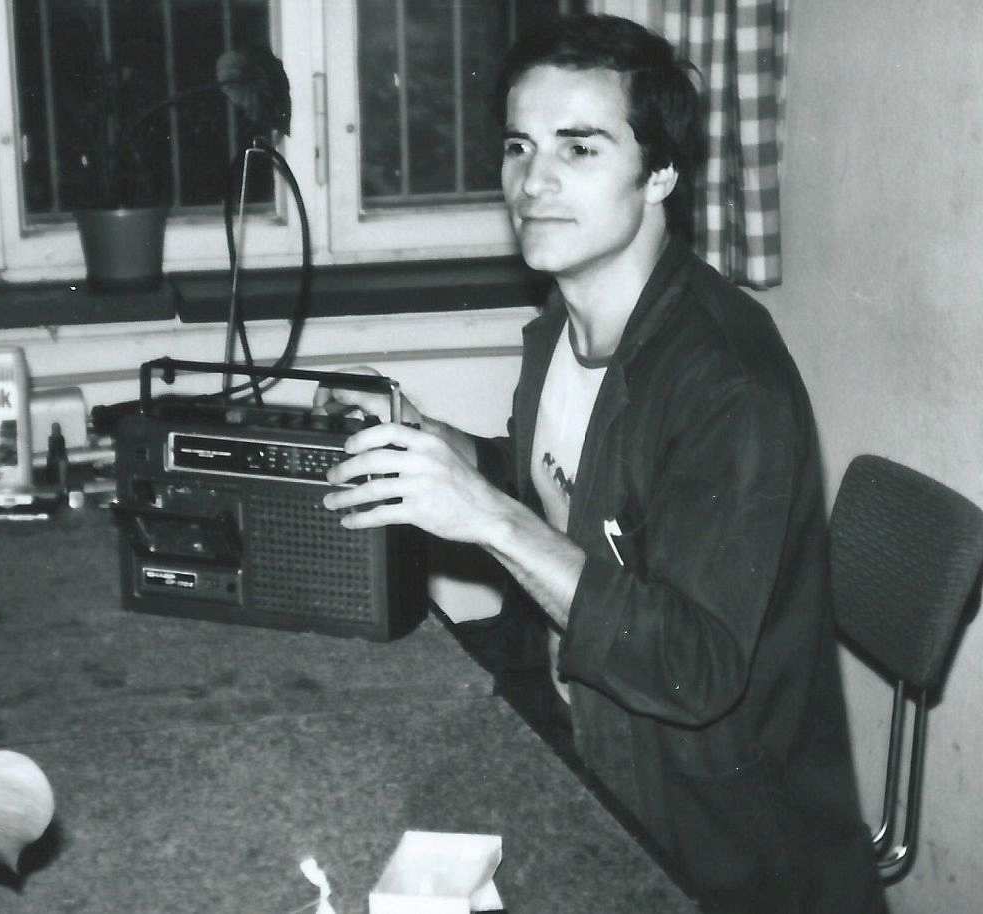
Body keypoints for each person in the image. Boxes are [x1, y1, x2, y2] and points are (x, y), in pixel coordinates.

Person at [316, 13, 884, 914]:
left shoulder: (727, 384)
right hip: (571, 732)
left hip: (699, 833)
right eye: (517, 145)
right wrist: (430, 442)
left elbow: (693, 671)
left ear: (658, 172)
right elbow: (567, 485)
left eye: (578, 148)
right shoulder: (563, 325)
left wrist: (486, 517)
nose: (531, 182)